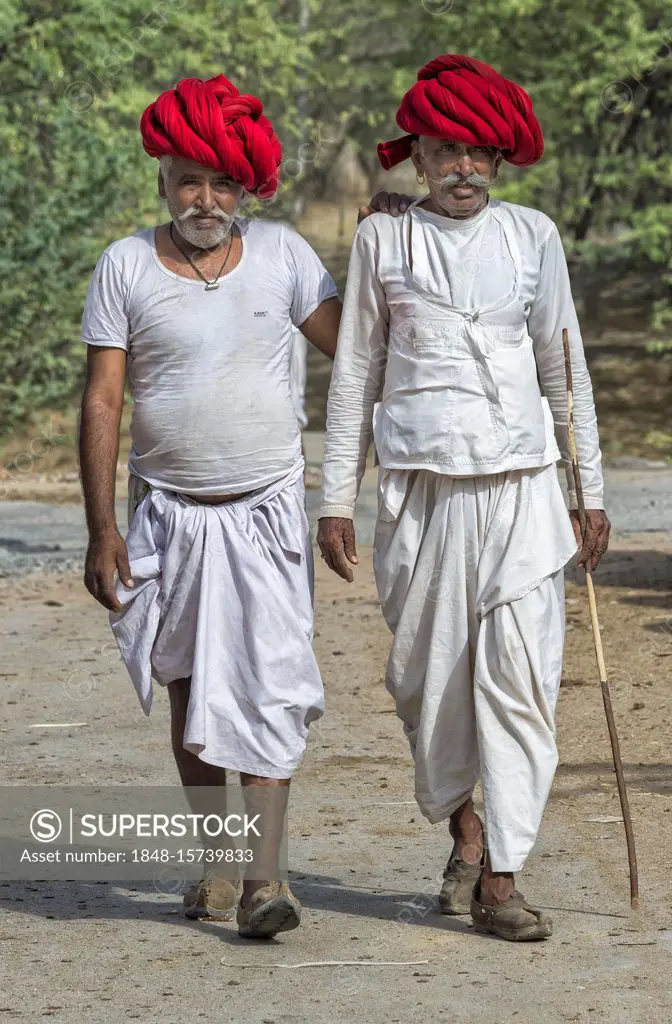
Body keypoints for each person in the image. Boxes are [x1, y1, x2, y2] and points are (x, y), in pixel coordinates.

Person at [317, 54, 610, 942]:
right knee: (427, 684)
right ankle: (467, 831)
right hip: (420, 493)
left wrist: (586, 488)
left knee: (521, 686)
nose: (464, 168)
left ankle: (504, 880)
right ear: (417, 155)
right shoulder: (383, 240)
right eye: (446, 150)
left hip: (523, 490)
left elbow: (566, 366)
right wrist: (336, 495)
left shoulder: (534, 237)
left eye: (481, 151)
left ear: (501, 157)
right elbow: (356, 371)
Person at [79, 74, 342, 939]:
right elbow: (104, 402)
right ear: (163, 176)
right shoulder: (124, 265)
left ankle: (267, 883)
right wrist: (103, 528)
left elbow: (359, 353)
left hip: (266, 509)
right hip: (167, 516)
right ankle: (219, 864)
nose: (204, 198)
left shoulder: (284, 256)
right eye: (189, 179)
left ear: (246, 188)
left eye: (222, 183)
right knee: (191, 689)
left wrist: (394, 240)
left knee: (268, 686)